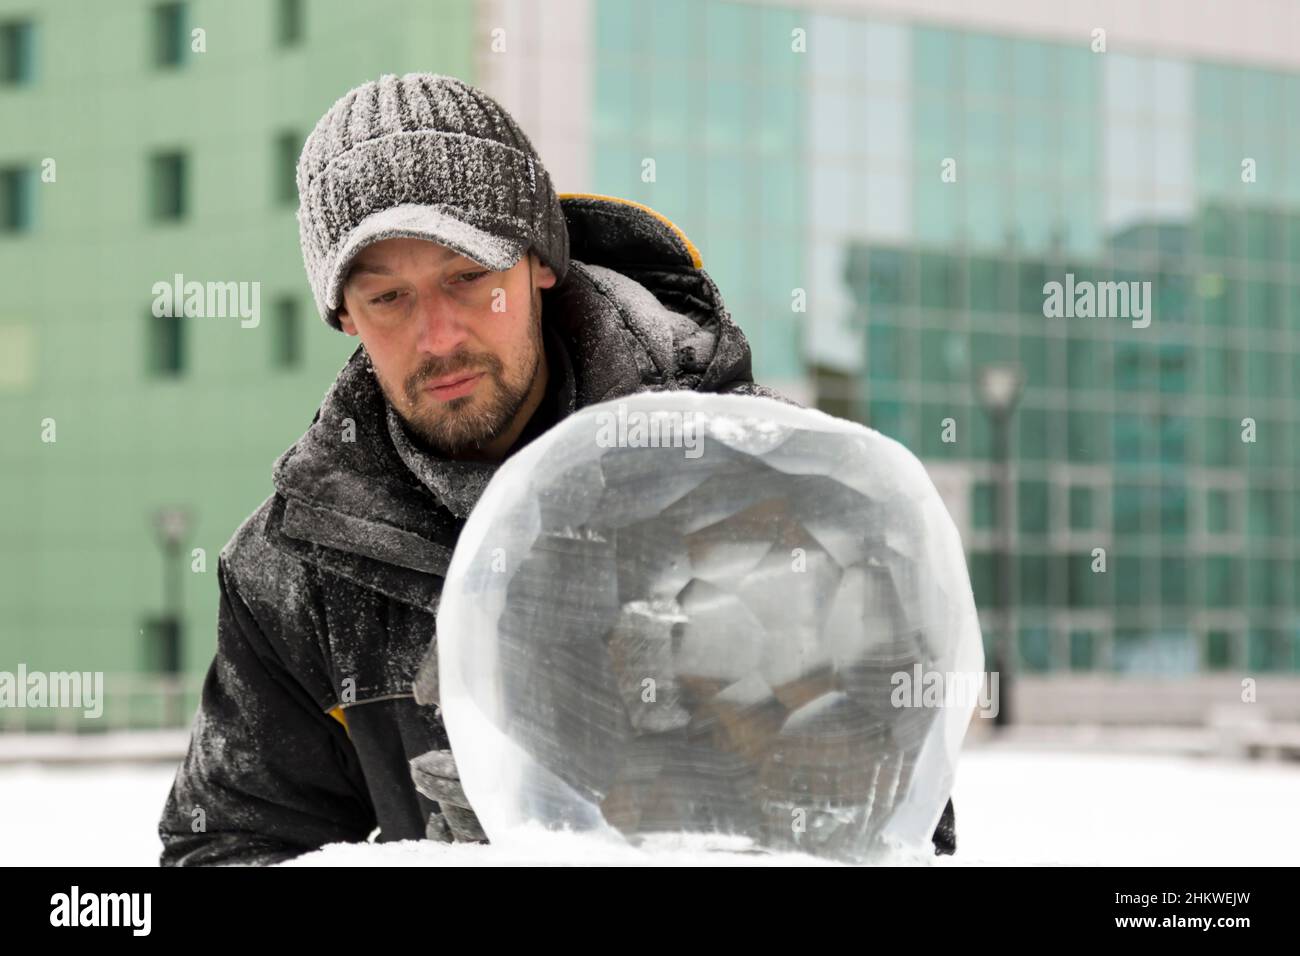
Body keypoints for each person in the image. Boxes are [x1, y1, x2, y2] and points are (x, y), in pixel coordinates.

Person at [157, 72, 954, 865]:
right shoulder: (294, 574)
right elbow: (227, 847)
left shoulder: (764, 483)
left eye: (467, 278)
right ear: (343, 317)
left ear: (538, 259)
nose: (437, 337)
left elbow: (891, 821)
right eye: (387, 299)